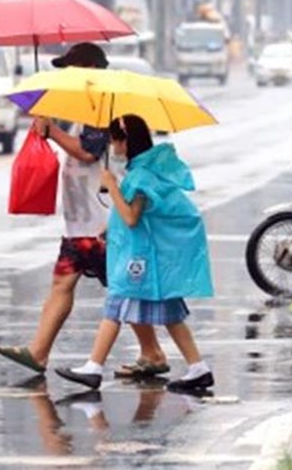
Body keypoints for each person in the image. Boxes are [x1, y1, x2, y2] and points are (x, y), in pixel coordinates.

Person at [0, 43, 168, 377]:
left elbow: (88, 152)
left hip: (101, 222)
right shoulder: (85, 109)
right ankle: (38, 353)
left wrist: (54, 132)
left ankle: (153, 352)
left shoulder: (102, 111)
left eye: (71, 68)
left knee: (123, 290)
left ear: (88, 68)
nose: (66, 75)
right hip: (79, 223)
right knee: (63, 284)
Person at [55, 114, 215, 391]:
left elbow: (132, 217)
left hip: (141, 260)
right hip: (139, 256)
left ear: (126, 141)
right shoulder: (141, 171)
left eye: (115, 140)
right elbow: (130, 217)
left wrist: (112, 185)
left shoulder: (142, 176)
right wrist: (109, 228)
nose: (113, 147)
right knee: (155, 312)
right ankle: (197, 367)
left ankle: (94, 367)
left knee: (121, 306)